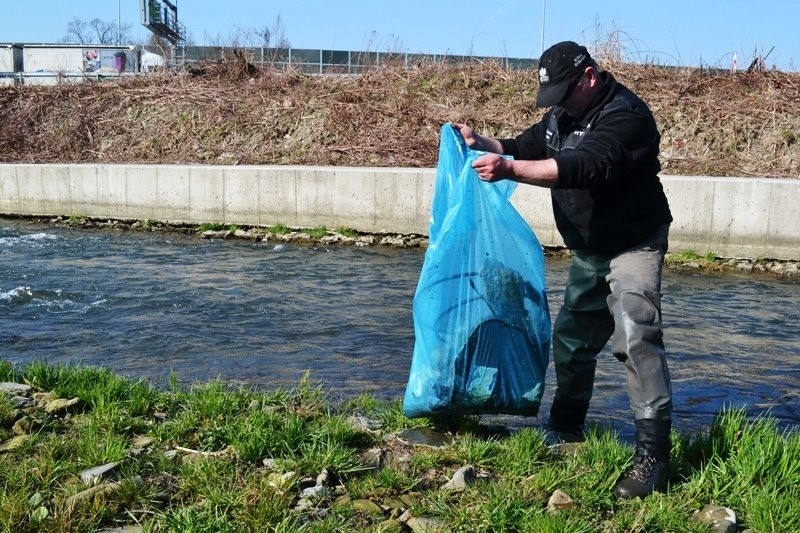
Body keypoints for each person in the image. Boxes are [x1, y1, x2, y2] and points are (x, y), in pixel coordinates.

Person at [453, 40, 674, 500]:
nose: (556, 104)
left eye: (563, 92)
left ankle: (652, 455)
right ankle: (567, 429)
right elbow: (525, 144)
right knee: (571, 342)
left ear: (589, 77)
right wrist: (483, 144)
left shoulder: (627, 117)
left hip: (634, 243)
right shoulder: (564, 114)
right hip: (590, 249)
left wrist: (509, 169)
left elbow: (582, 166)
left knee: (635, 335)